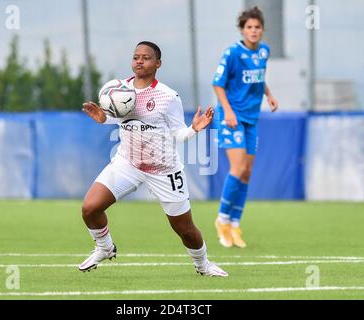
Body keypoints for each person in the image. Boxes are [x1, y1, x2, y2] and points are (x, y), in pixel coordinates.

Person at [79, 41, 228, 277]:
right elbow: (118, 118)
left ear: (157, 63)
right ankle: (105, 248)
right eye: (136, 56)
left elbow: (178, 134)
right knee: (90, 208)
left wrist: (194, 128)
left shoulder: (168, 96)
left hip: (163, 169)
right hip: (127, 162)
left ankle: (203, 265)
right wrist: (102, 118)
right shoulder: (118, 89)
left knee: (184, 229)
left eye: (146, 57)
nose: (139, 61)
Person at [212, 7, 279, 248]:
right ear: (242, 30)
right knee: (237, 167)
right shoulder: (232, 53)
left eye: (257, 27)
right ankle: (221, 219)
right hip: (232, 117)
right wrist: (228, 111)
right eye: (249, 27)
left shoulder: (264, 51)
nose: (253, 31)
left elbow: (259, 78)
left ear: (262, 30)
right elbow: (218, 84)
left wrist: (269, 95)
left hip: (252, 117)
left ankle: (234, 224)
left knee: (247, 173)